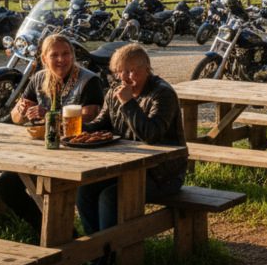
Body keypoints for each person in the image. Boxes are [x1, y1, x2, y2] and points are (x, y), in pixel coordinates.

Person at [0, 34, 104, 235]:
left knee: (53, 185)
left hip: (78, 155)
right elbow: (15, 117)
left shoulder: (89, 80)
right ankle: (48, 230)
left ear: (73, 55)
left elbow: (90, 118)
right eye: (54, 55)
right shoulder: (38, 78)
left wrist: (50, 115)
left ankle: (64, 239)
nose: (61, 59)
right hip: (44, 152)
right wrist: (21, 111)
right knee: (5, 185)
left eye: (66, 54)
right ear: (44, 59)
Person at [76, 44, 186, 235]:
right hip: (125, 168)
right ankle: (95, 251)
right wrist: (75, 127)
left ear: (147, 68)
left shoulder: (162, 94)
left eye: (132, 71)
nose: (125, 77)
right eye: (120, 72)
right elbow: (101, 124)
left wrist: (128, 103)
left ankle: (112, 254)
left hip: (162, 174)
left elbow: (151, 134)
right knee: (85, 191)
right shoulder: (114, 92)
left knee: (110, 196)